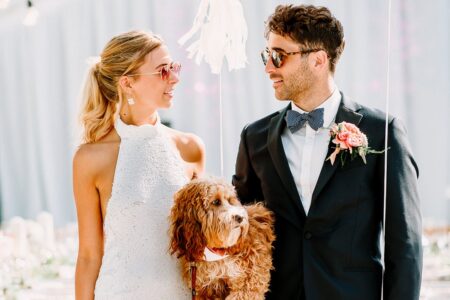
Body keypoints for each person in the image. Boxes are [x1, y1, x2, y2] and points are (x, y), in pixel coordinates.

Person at [232, 4, 422, 300]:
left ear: (319, 60)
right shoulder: (253, 138)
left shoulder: (382, 132)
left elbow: (404, 244)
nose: (269, 67)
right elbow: (240, 230)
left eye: (279, 56)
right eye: (266, 56)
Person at [73, 30, 205, 299]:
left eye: (174, 67)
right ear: (127, 82)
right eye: (162, 71)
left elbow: (199, 245)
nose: (175, 78)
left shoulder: (190, 149)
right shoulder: (89, 159)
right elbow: (89, 255)